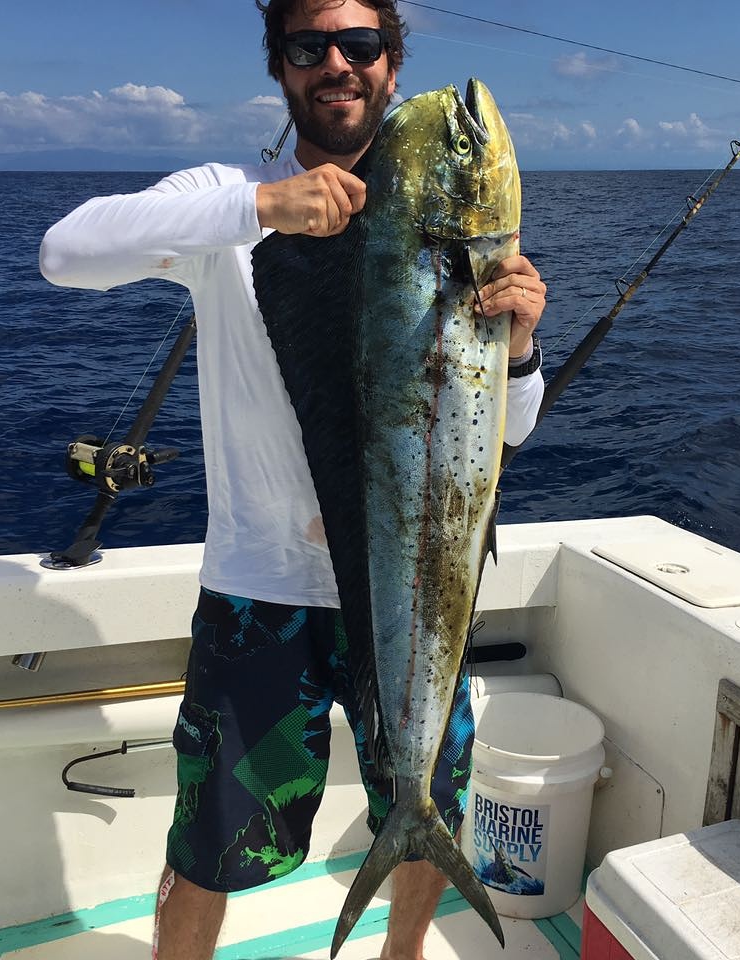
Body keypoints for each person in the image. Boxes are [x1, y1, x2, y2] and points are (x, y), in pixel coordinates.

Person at [39, 1, 547, 957]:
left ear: (391, 62)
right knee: (211, 845)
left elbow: (501, 438)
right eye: (311, 45)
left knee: (428, 798)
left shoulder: (454, 240)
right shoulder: (230, 196)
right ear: (279, 64)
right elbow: (62, 252)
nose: (337, 65)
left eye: (360, 45)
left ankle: (402, 952)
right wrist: (265, 207)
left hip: (415, 595)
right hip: (264, 594)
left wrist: (515, 352)